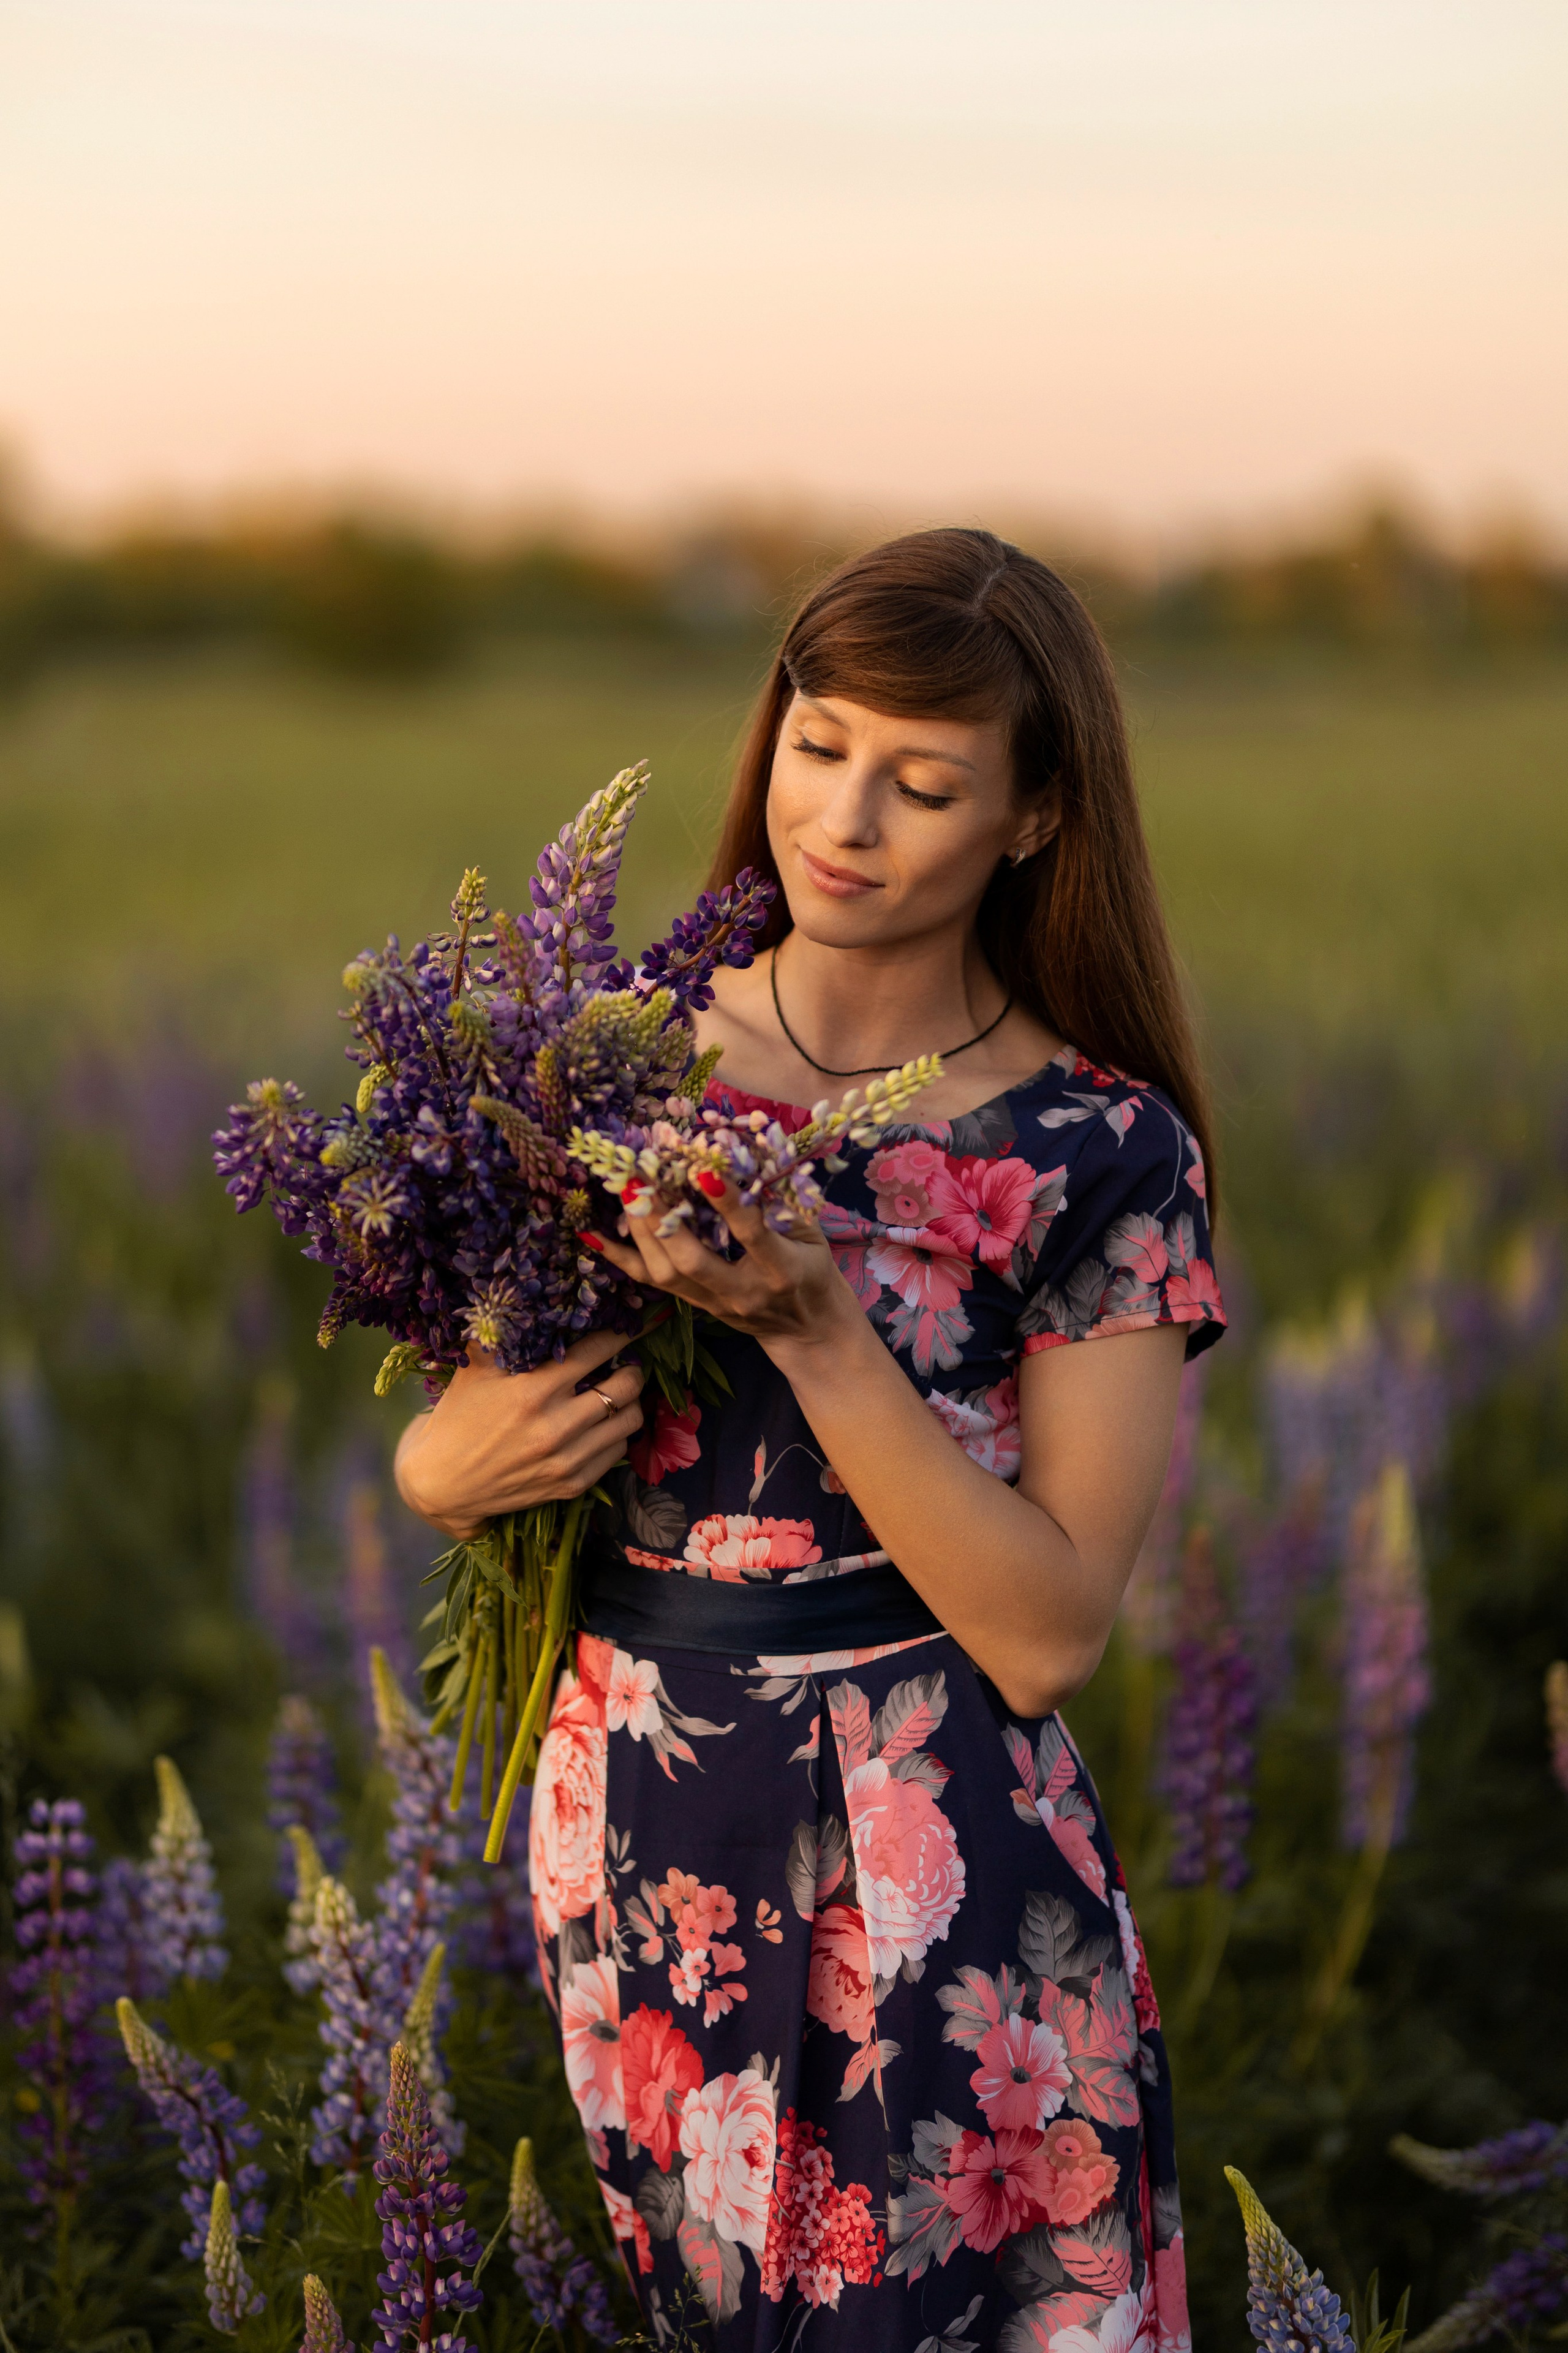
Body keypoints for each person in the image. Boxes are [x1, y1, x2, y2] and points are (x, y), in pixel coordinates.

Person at [396, 528, 1224, 2350]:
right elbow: (476, 1418)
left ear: (1030, 819)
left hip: (948, 1870)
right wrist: (438, 1472)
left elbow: (1050, 1625)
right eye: (817, 741)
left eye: (922, 780)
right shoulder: (608, 1061)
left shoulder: (1101, 1152)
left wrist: (819, 1327)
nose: (843, 813)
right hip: (639, 1823)